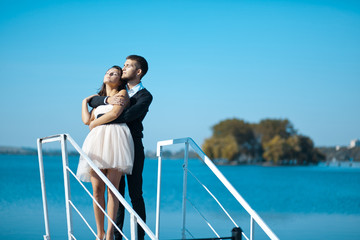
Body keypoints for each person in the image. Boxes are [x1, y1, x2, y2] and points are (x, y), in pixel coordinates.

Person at [89, 55, 153, 240]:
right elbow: (93, 101)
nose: (123, 69)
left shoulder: (145, 96)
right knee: (115, 192)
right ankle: (115, 236)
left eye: (128, 66)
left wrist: (100, 120)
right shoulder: (119, 89)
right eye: (123, 65)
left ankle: (140, 237)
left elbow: (128, 116)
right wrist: (107, 102)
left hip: (133, 147)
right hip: (113, 146)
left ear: (138, 72)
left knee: (135, 194)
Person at [76, 65, 135, 240]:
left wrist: (95, 124)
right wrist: (84, 102)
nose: (110, 74)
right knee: (96, 190)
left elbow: (115, 113)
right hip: (96, 143)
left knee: (112, 189)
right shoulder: (98, 100)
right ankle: (99, 233)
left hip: (115, 140)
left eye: (115, 73)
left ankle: (109, 233)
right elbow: (87, 120)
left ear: (120, 79)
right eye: (108, 72)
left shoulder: (122, 94)